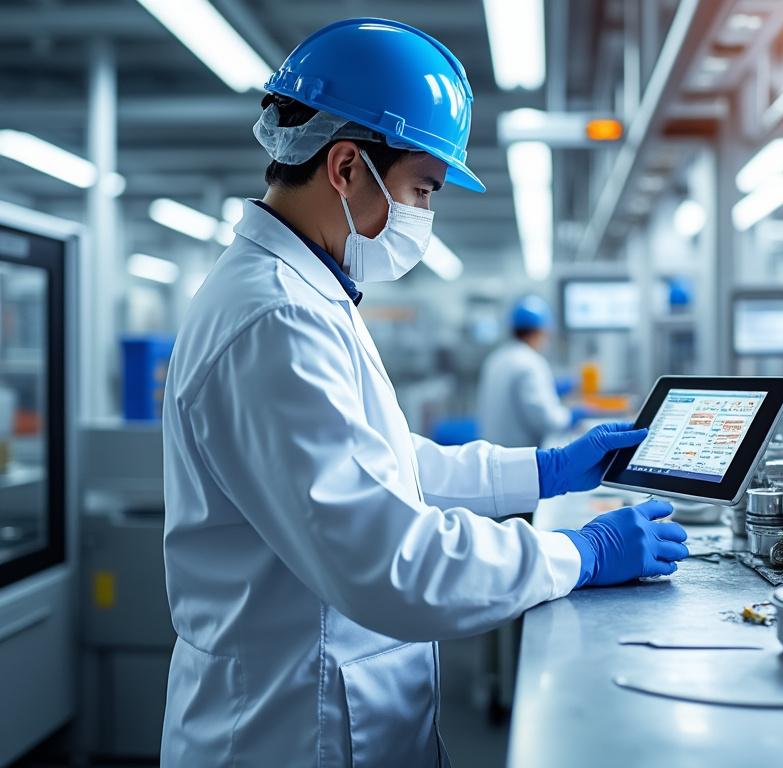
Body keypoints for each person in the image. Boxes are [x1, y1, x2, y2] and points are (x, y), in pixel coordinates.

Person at [160, 18, 688, 767]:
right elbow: (388, 562)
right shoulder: (274, 318)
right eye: (422, 189)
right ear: (345, 167)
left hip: (332, 706)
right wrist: (575, 553)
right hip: (288, 731)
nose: (424, 218)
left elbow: (378, 464)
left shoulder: (307, 294)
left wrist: (539, 472)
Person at [478, 295, 584, 448]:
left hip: (492, 449)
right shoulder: (531, 363)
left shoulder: (497, 358)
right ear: (540, 332)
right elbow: (549, 420)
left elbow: (518, 395)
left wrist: (552, 387)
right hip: (517, 454)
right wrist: (574, 415)